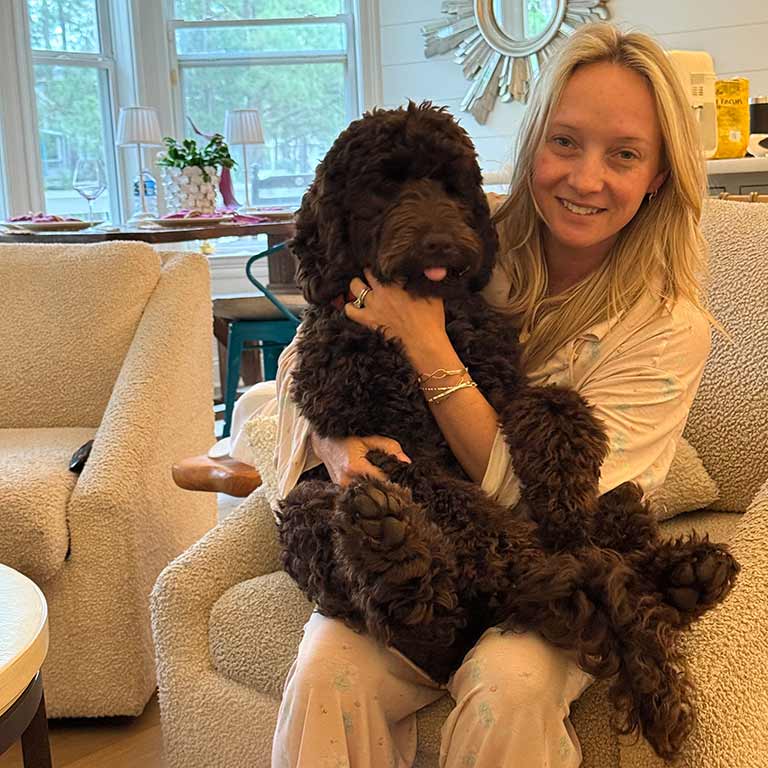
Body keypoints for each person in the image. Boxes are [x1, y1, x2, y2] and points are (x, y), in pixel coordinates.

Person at [270, 22, 713, 768]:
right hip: (412, 537)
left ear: (659, 175)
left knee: (510, 684)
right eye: (565, 142)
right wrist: (336, 445)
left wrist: (426, 343)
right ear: (533, 142)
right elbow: (304, 357)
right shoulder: (464, 235)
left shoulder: (669, 328)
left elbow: (559, 503)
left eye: (625, 155)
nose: (585, 178)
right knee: (326, 673)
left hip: (549, 558)